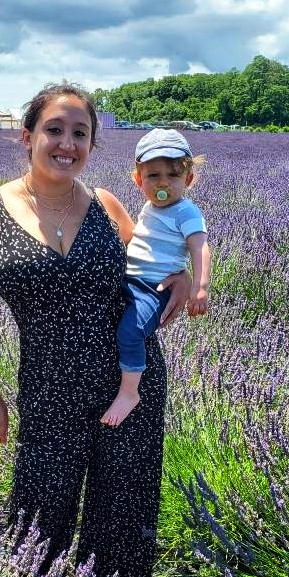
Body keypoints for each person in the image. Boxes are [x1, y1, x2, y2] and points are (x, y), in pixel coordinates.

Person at [0, 83, 191, 577]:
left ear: (91, 143)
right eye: (54, 130)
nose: (67, 143)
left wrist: (180, 273)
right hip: (48, 385)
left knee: (124, 508)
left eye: (79, 133)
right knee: (41, 507)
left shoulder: (108, 206)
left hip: (127, 383)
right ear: (28, 136)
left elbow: (151, 263)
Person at [101, 129, 211, 427]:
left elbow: (200, 248)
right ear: (139, 180)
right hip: (130, 279)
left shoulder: (186, 212)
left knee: (131, 331)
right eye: (153, 176)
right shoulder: (150, 206)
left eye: (173, 176)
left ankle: (129, 392)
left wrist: (198, 288)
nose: (163, 183)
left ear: (188, 180)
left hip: (154, 288)